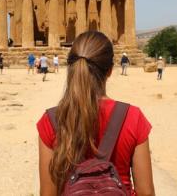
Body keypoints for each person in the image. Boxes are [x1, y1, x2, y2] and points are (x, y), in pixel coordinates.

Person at [36, 31, 154, 195]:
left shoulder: (51, 121)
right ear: (110, 70)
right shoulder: (133, 117)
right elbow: (146, 193)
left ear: (71, 67)